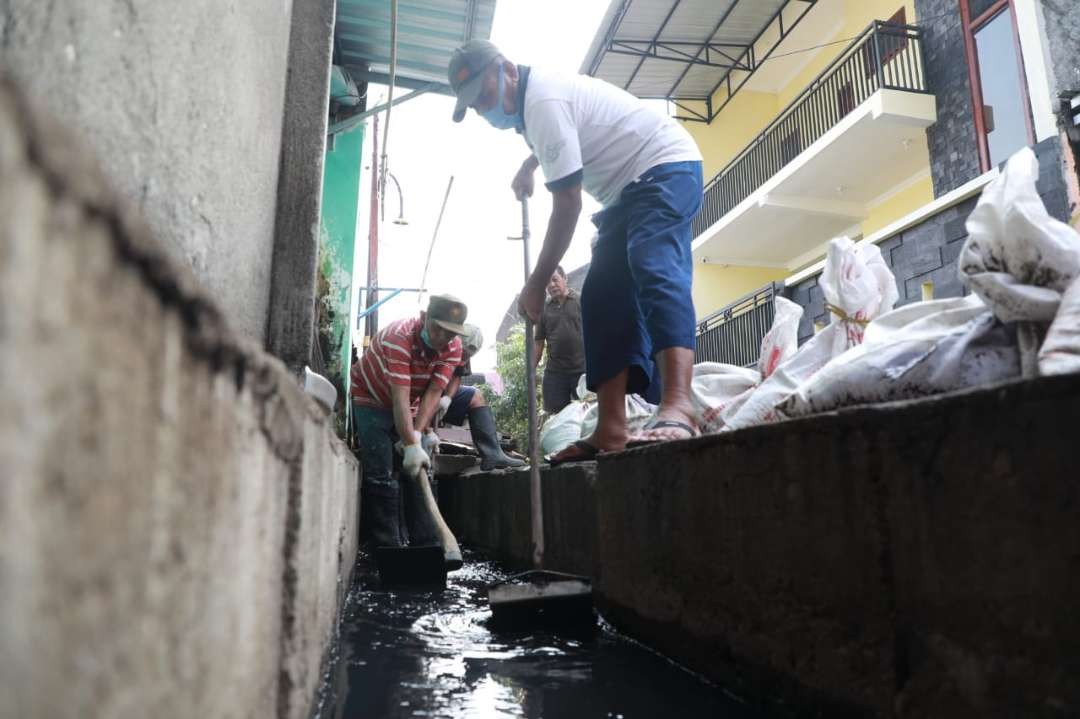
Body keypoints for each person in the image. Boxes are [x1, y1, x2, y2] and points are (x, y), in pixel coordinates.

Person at [447, 39, 704, 463]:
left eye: (485, 96)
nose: (484, 110)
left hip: (665, 166)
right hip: (626, 192)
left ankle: (678, 405)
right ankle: (610, 429)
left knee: (651, 262)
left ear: (507, 69)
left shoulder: (542, 99)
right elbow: (564, 137)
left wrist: (534, 284)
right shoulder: (532, 107)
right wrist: (531, 165)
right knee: (602, 296)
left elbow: (568, 204)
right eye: (475, 105)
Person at [349, 294, 468, 548]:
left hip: (410, 401)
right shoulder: (399, 338)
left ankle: (426, 545)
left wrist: (415, 436)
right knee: (380, 470)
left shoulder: (454, 347)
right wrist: (411, 443)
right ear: (424, 318)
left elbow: (434, 393)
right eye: (438, 329)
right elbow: (399, 396)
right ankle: (387, 546)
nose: (442, 339)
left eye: (449, 334)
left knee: (419, 469)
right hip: (370, 396)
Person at [435, 324, 525, 471]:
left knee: (476, 396)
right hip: (423, 394)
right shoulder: (441, 346)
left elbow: (457, 376)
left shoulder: (466, 351)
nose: (464, 357)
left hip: (442, 394)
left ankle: (493, 454)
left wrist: (447, 400)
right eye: (463, 353)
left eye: (467, 355)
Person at [535, 266, 584, 414]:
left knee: (585, 414)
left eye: (555, 279)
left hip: (582, 371)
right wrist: (531, 372)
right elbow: (538, 342)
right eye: (547, 282)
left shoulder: (580, 300)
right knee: (555, 417)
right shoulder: (544, 309)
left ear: (565, 278)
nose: (551, 285)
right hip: (555, 373)